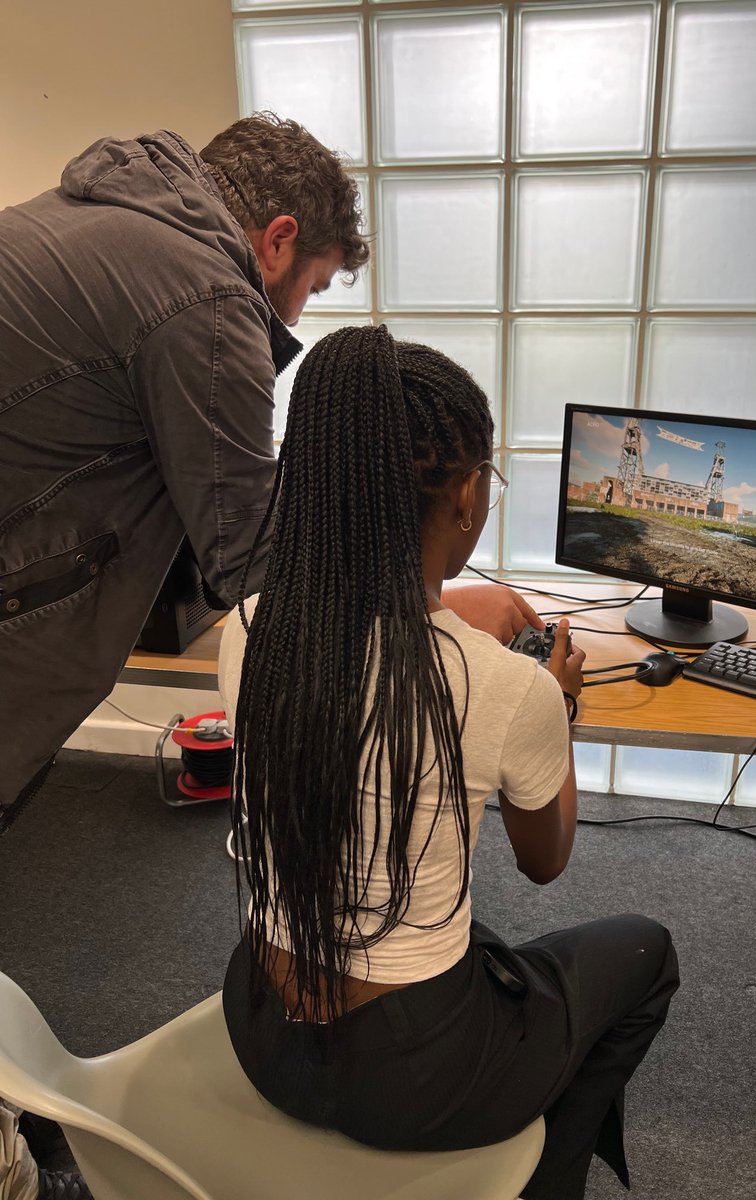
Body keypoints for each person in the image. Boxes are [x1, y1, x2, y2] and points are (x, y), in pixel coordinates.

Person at [0, 113, 537, 1199]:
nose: (290, 323)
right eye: (312, 291)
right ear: (279, 238)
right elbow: (264, 572)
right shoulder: (206, 301)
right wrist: (471, 615)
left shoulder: (95, 222)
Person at [217, 325, 679, 1200]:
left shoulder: (248, 633)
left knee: (476, 937)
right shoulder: (508, 691)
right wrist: (558, 706)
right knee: (648, 953)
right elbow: (546, 864)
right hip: (413, 1078)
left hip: (263, 1033)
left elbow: (366, 636)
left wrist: (465, 606)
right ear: (467, 495)